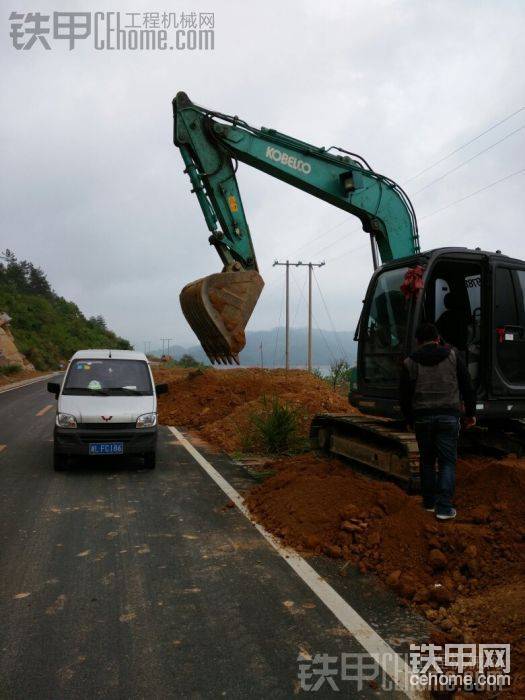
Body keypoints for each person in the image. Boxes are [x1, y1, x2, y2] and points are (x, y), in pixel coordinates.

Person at [399, 323, 476, 520]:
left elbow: (404, 396)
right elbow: (467, 385)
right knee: (447, 462)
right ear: (438, 338)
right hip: (449, 417)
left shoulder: (410, 362)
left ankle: (429, 503)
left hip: (423, 418)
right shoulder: (452, 356)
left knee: (426, 461)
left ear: (418, 341)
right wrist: (471, 413)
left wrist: (408, 419)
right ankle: (444, 508)